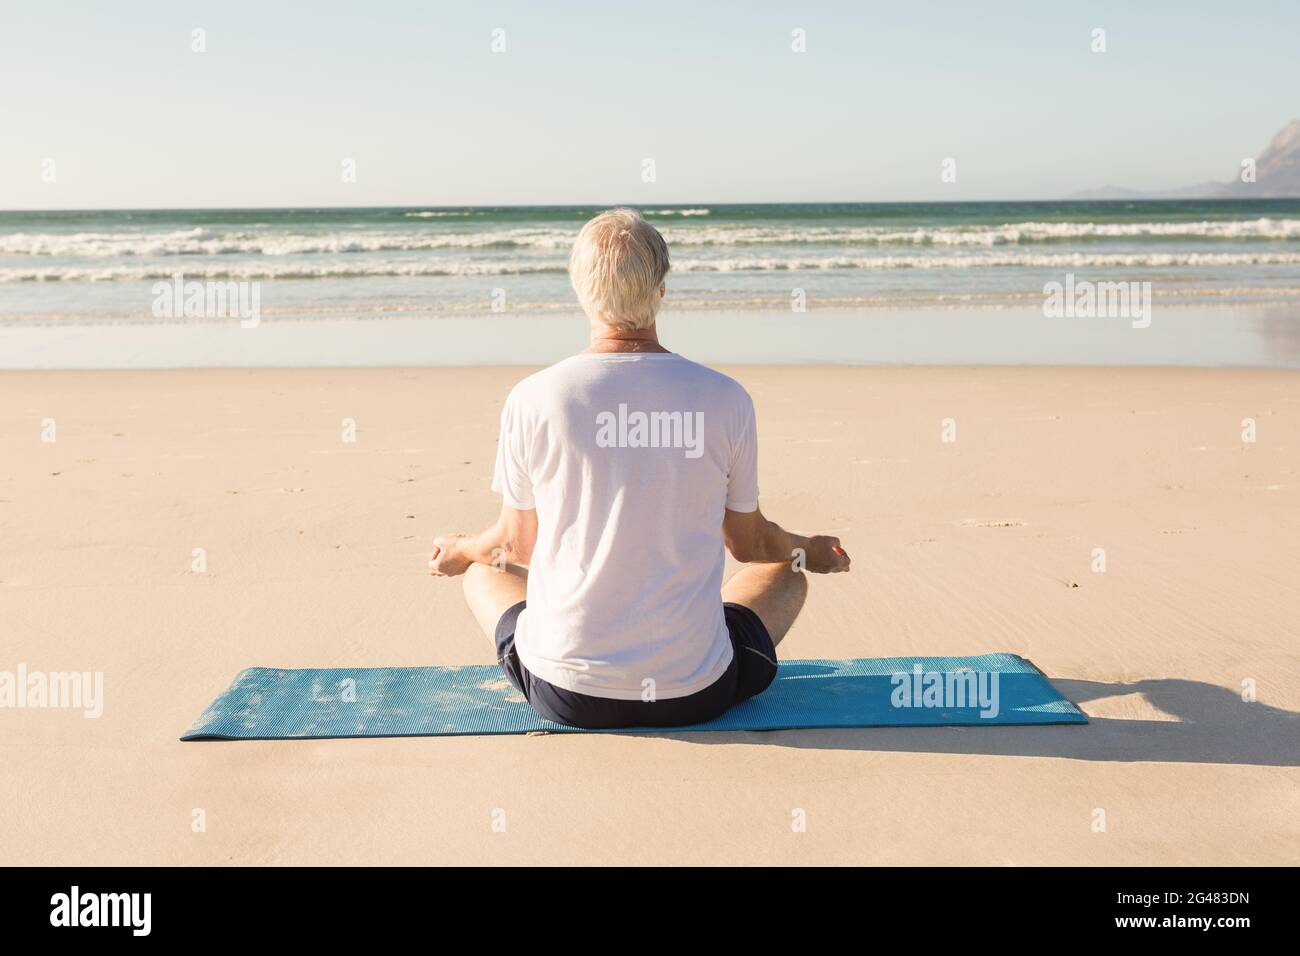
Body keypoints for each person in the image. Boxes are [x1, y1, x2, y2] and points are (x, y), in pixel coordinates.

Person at [428, 208, 850, 728]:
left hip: (566, 693)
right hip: (697, 692)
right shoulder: (723, 397)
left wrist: (459, 549)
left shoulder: (534, 397)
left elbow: (515, 548)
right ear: (662, 288)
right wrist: (812, 551)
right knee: (787, 571)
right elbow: (750, 545)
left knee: (480, 572)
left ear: (580, 291)